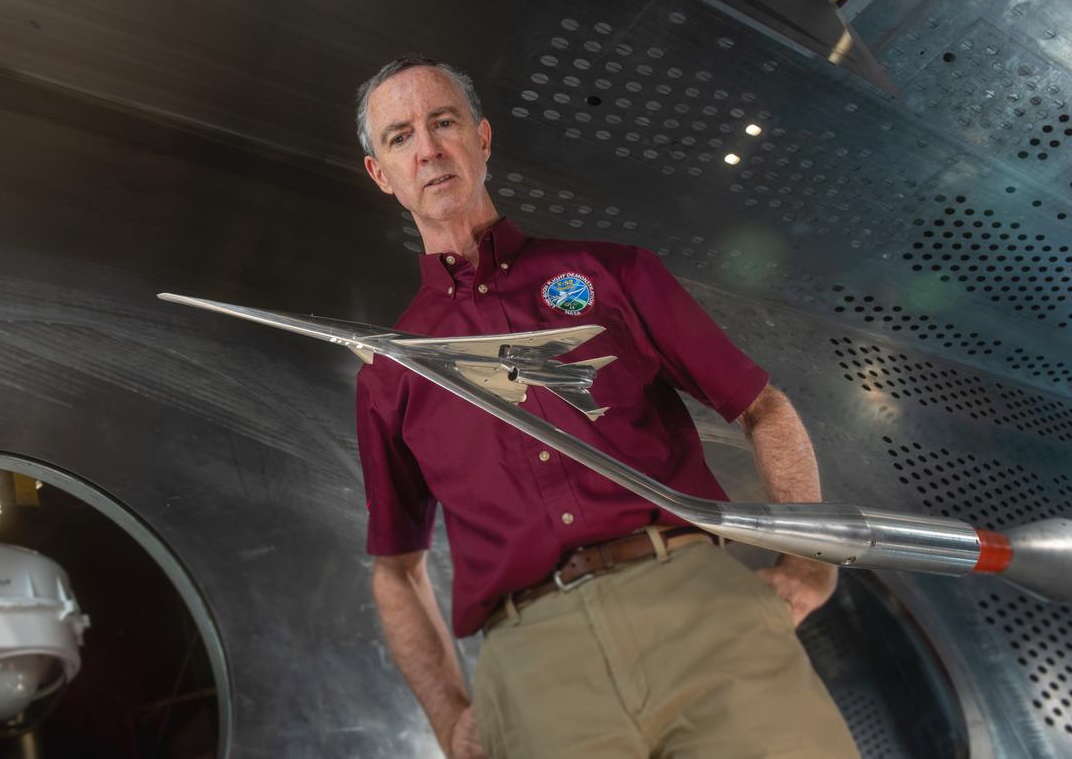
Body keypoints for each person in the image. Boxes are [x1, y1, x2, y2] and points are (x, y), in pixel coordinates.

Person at [355, 55, 859, 759]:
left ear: (482, 138)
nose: (429, 148)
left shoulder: (613, 273)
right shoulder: (391, 369)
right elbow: (396, 570)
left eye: (444, 122)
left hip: (695, 607)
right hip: (535, 668)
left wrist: (809, 563)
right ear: (381, 173)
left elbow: (762, 408)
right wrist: (449, 714)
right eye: (401, 136)